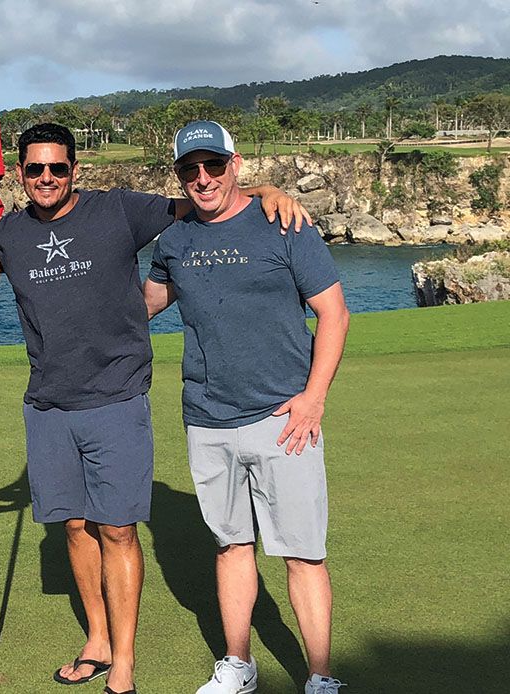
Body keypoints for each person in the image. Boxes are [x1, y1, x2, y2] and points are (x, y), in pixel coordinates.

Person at [0, 123, 309, 694]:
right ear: (20, 173)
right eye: (36, 169)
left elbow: (202, 199)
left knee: (116, 529)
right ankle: (97, 639)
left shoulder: (118, 210)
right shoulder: (8, 230)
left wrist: (265, 191)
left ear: (75, 170)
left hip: (117, 394)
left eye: (58, 168)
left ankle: (124, 664)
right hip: (48, 402)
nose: (47, 178)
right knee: (74, 525)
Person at [143, 121, 350, 694]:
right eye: (190, 169)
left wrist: (313, 399)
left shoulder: (284, 223)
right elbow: (142, 308)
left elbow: (334, 314)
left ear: (235, 164)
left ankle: (321, 675)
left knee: (302, 554)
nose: (203, 178)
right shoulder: (174, 241)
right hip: (207, 419)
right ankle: (238, 664)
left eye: (213, 165)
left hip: (284, 419)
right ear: (179, 175)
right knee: (231, 545)